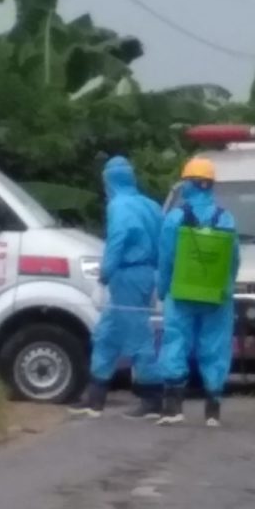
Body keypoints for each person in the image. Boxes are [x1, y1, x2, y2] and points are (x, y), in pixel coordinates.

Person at [69, 156, 163, 419]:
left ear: (109, 181)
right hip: (146, 274)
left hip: (126, 275)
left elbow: (116, 244)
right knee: (106, 334)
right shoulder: (151, 205)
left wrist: (104, 277)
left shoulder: (118, 207)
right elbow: (164, 242)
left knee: (137, 336)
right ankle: (95, 396)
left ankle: (152, 396)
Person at [155, 157, 240, 426]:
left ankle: (173, 408)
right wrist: (225, 286)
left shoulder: (175, 219)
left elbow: (166, 258)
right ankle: (212, 410)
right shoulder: (225, 218)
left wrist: (162, 289)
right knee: (215, 345)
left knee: (175, 341)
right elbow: (234, 259)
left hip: (181, 292)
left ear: (188, 184)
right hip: (216, 294)